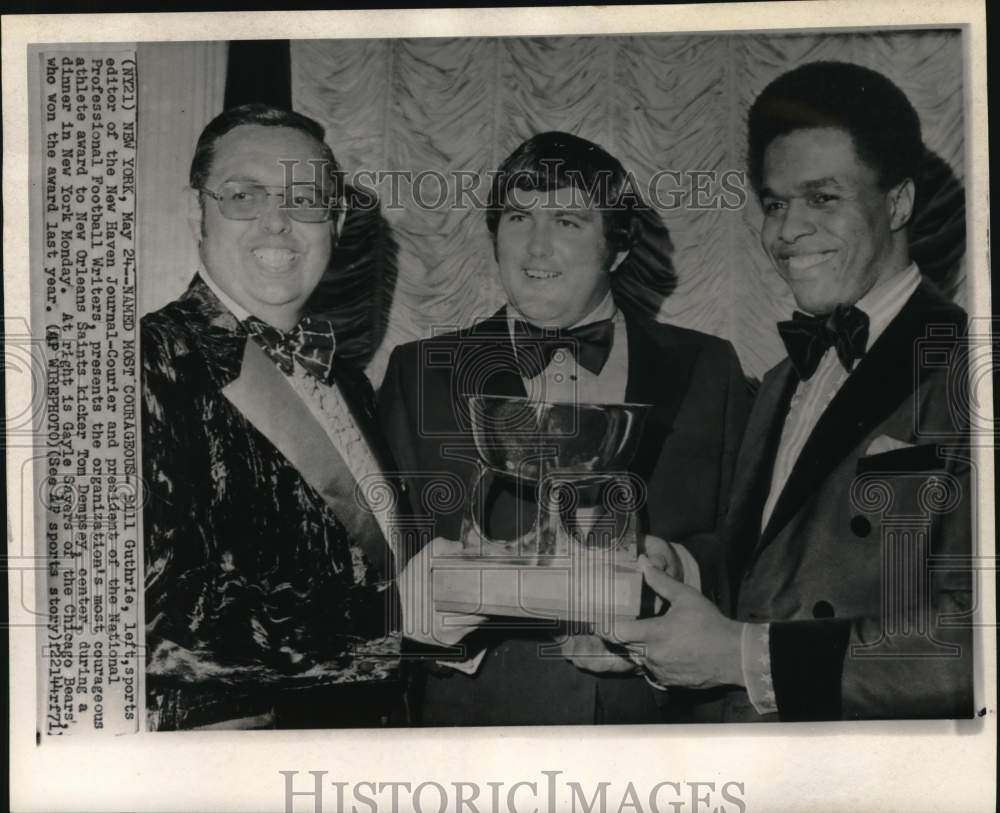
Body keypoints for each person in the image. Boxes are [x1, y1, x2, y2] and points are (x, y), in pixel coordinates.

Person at [589, 61, 974, 721]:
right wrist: (681, 572)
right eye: (774, 203)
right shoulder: (777, 382)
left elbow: (976, 643)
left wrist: (742, 655)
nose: (785, 230)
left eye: (823, 198)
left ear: (900, 203)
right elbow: (780, 566)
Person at [378, 131, 751, 725]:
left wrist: (678, 569)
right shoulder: (418, 372)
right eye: (520, 216)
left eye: (570, 222)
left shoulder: (710, 368)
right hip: (476, 723)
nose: (537, 247)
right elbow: (376, 563)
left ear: (618, 247)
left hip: (654, 725)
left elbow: (751, 540)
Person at [142, 104, 401, 730]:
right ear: (194, 210)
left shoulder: (352, 384)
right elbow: (150, 615)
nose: (278, 221)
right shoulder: (142, 360)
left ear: (334, 221)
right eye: (242, 194)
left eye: (306, 199)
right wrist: (397, 619)